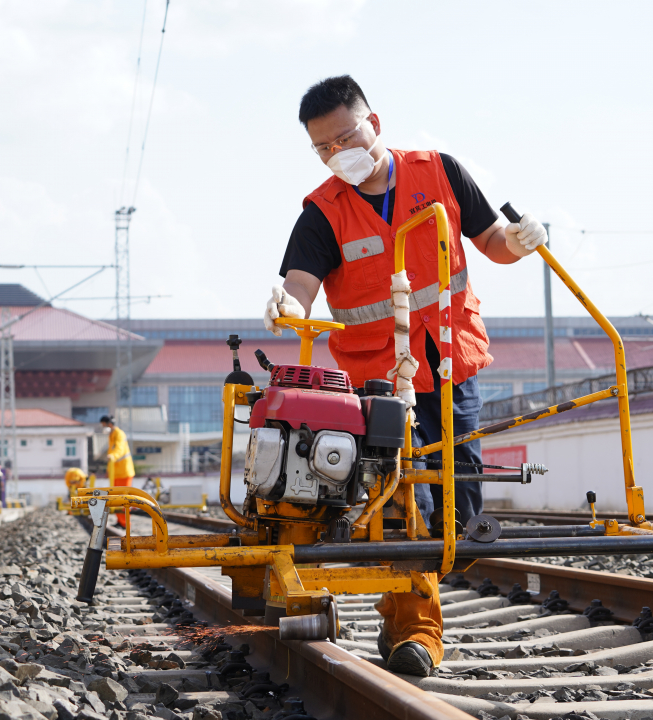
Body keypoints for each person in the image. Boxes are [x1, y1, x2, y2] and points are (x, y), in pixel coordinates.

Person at [264, 76, 547, 676]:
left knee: (458, 514)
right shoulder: (322, 212)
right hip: (378, 387)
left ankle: (422, 601)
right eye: (323, 147)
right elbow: (300, 287)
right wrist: (286, 306)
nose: (338, 151)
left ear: (376, 123)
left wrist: (519, 243)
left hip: (451, 366)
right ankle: (414, 634)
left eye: (345, 135)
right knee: (399, 509)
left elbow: (492, 241)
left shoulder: (439, 172)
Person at [100, 416, 135, 527]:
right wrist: (108, 470)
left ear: (109, 424)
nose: (103, 427)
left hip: (124, 472)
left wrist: (113, 456)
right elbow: (112, 452)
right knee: (117, 499)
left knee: (123, 499)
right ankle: (120, 521)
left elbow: (118, 449)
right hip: (116, 473)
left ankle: (125, 523)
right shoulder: (112, 435)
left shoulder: (119, 434)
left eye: (104, 425)